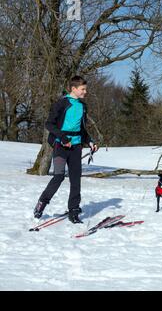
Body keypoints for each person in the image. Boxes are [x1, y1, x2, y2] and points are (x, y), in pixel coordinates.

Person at [33, 76, 98, 223]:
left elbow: (81, 128)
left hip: (76, 147)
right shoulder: (61, 104)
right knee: (59, 176)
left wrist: (90, 141)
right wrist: (62, 138)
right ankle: (42, 203)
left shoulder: (83, 106)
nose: (85, 92)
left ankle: (73, 211)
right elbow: (49, 124)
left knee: (76, 180)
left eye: (85, 89)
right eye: (83, 89)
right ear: (74, 89)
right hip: (60, 146)